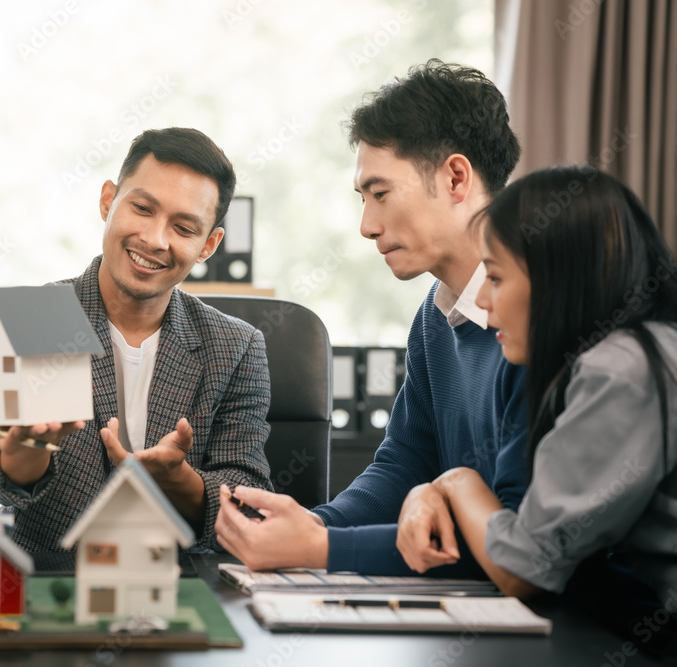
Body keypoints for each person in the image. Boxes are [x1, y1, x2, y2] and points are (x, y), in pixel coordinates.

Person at [215, 60, 528, 574]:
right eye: (363, 199)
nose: (366, 225)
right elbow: (404, 463)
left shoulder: (536, 317)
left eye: (380, 194)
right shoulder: (435, 314)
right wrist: (316, 526)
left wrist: (323, 549)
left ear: (456, 177)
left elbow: (521, 546)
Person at [0, 127, 273, 553]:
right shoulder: (28, 318)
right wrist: (23, 456)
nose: (154, 240)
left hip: (177, 587)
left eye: (183, 228)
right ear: (108, 200)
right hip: (45, 578)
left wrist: (180, 481)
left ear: (209, 245)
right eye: (142, 208)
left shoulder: (237, 347)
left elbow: (248, 495)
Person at [395, 167, 677, 604]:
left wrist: (456, 481)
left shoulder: (620, 371)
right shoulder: (633, 351)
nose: (484, 304)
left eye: (496, 278)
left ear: (559, 277)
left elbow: (525, 566)